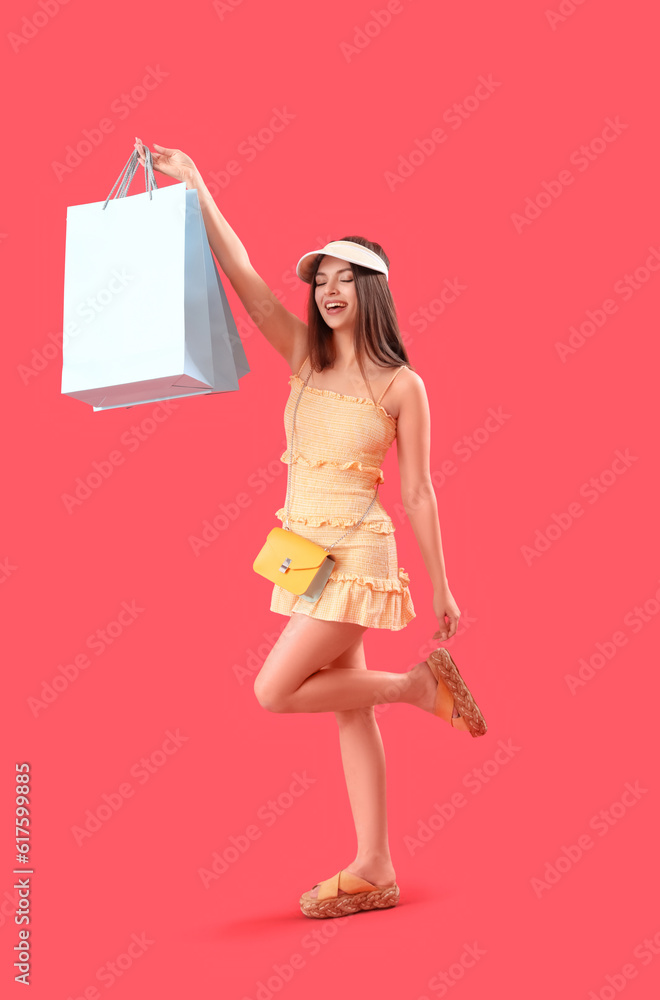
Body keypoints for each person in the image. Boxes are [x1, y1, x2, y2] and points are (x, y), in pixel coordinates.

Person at [134, 138, 487, 920]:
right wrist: (198, 185)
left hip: (355, 549)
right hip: (298, 547)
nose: (328, 291)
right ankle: (376, 864)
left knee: (273, 690)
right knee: (341, 703)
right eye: (321, 281)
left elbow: (419, 491)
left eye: (343, 279)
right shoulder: (303, 358)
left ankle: (420, 686)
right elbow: (249, 282)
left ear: (375, 290)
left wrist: (442, 585)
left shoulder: (403, 385)